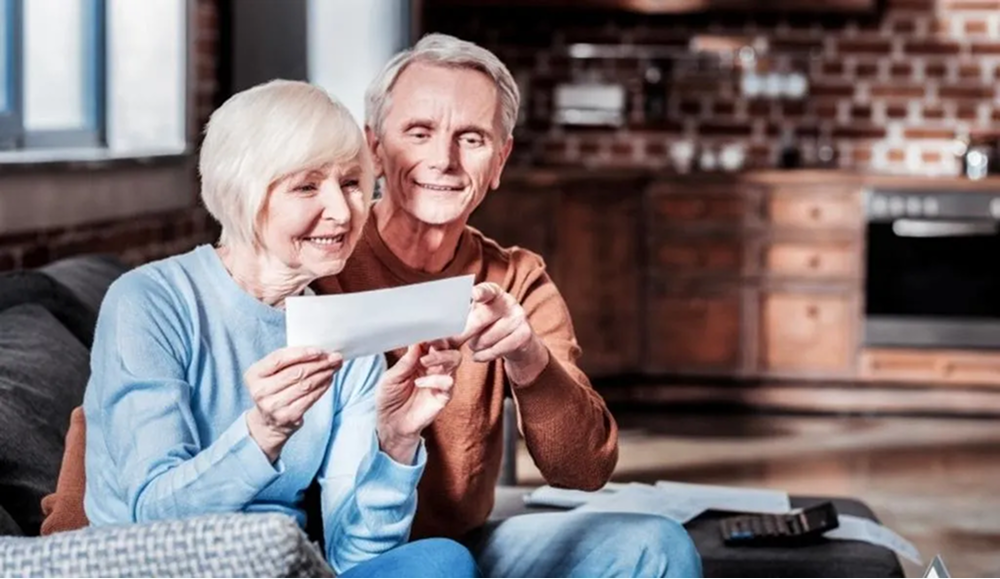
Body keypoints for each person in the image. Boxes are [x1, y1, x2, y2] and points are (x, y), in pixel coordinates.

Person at [310, 33, 703, 578]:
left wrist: (528, 357)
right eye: (419, 132)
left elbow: (584, 469)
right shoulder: (320, 259)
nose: (444, 160)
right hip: (336, 556)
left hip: (463, 545)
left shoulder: (517, 279)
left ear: (500, 160)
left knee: (655, 545)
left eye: (471, 138)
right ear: (374, 147)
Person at [79, 79, 480, 579]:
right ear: (243, 192)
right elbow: (153, 519)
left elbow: (355, 559)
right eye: (307, 186)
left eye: (352, 183)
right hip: (158, 569)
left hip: (282, 568)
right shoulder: (150, 300)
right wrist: (263, 434)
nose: (342, 211)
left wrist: (396, 443)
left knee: (441, 561)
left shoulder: (349, 343)